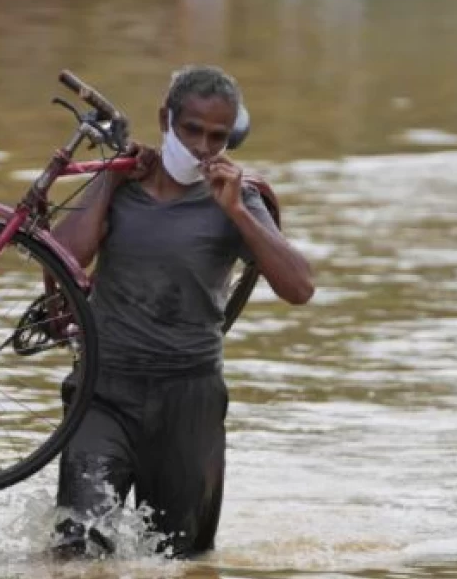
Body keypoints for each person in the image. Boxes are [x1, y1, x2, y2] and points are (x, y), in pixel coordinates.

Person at [48, 65, 315, 559]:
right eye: (191, 129)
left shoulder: (239, 198)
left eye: (217, 136)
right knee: (76, 551)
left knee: (180, 561)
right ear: (165, 119)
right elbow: (63, 258)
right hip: (104, 391)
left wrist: (235, 211)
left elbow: (299, 287)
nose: (202, 147)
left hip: (189, 401)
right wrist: (109, 180)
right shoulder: (122, 184)